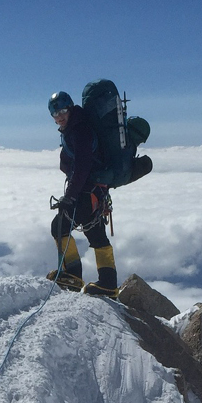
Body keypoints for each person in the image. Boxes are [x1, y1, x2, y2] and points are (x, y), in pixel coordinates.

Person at [47, 91, 119, 298]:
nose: (59, 116)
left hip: (86, 191)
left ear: (70, 108)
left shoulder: (79, 131)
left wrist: (70, 196)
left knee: (59, 226)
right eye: (54, 114)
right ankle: (108, 283)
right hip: (94, 190)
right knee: (95, 233)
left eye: (62, 111)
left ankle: (72, 276)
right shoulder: (76, 128)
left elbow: (82, 166)